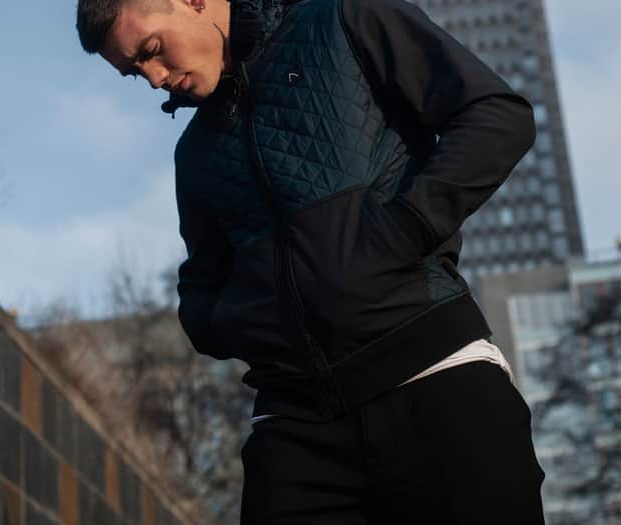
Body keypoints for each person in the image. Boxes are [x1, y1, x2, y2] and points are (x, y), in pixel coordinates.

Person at [76, 0, 547, 522]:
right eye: (134, 71)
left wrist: (400, 231)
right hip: (295, 426)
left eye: (152, 50)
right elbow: (202, 282)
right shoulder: (194, 154)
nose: (155, 79)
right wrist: (234, 320)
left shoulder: (342, 20)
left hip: (435, 381)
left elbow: (497, 116)